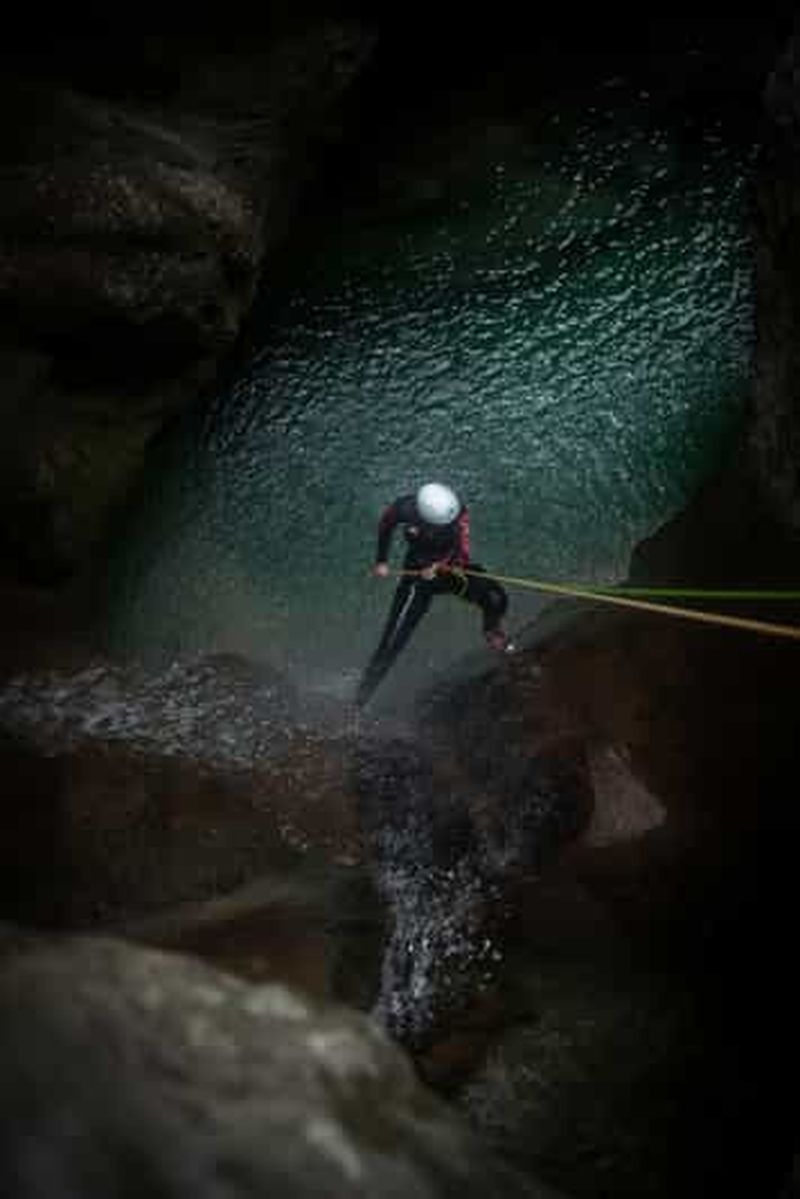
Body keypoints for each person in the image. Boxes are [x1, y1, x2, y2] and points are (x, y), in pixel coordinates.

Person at [355, 482, 512, 707]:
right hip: (418, 576)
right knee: (392, 641)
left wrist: (440, 564)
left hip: (449, 569)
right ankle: (360, 700)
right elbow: (386, 524)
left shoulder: (456, 511)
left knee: (496, 597)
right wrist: (381, 560)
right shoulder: (405, 507)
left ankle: (491, 629)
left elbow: (462, 552)